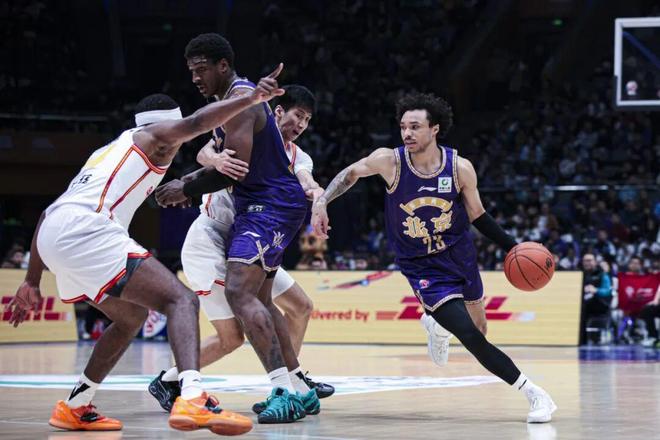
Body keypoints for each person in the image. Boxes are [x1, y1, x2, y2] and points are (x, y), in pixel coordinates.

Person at [5, 69, 286, 434]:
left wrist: (32, 280)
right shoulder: (155, 136)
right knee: (181, 300)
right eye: (176, 133)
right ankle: (192, 396)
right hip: (86, 230)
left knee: (130, 317)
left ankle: (75, 405)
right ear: (166, 127)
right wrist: (250, 99)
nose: (179, 142)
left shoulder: (107, 150)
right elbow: (198, 122)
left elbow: (47, 213)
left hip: (54, 233)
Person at [310, 92, 557, 423]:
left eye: (415, 127)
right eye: (403, 127)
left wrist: (513, 247)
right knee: (469, 336)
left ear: (435, 129)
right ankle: (535, 394)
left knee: (480, 330)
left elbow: (478, 215)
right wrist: (322, 202)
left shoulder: (459, 168)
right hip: (421, 266)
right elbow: (350, 174)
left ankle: (436, 326)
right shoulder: (389, 161)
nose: (407, 133)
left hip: (459, 256)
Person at [155, 33, 319, 424]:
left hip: (267, 206)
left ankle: (282, 390)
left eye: (201, 69)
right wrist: (195, 175)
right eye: (191, 71)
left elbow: (237, 170)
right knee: (260, 301)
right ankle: (300, 389)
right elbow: (217, 158)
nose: (195, 78)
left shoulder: (240, 103)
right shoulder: (231, 103)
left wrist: (184, 187)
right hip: (265, 206)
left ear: (223, 66)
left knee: (238, 292)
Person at [579, 253, 612, 344]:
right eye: (585, 261)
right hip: (584, 305)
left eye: (589, 260)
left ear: (595, 262)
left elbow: (607, 291)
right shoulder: (580, 274)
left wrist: (596, 290)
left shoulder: (603, 275)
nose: (587, 263)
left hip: (600, 305)